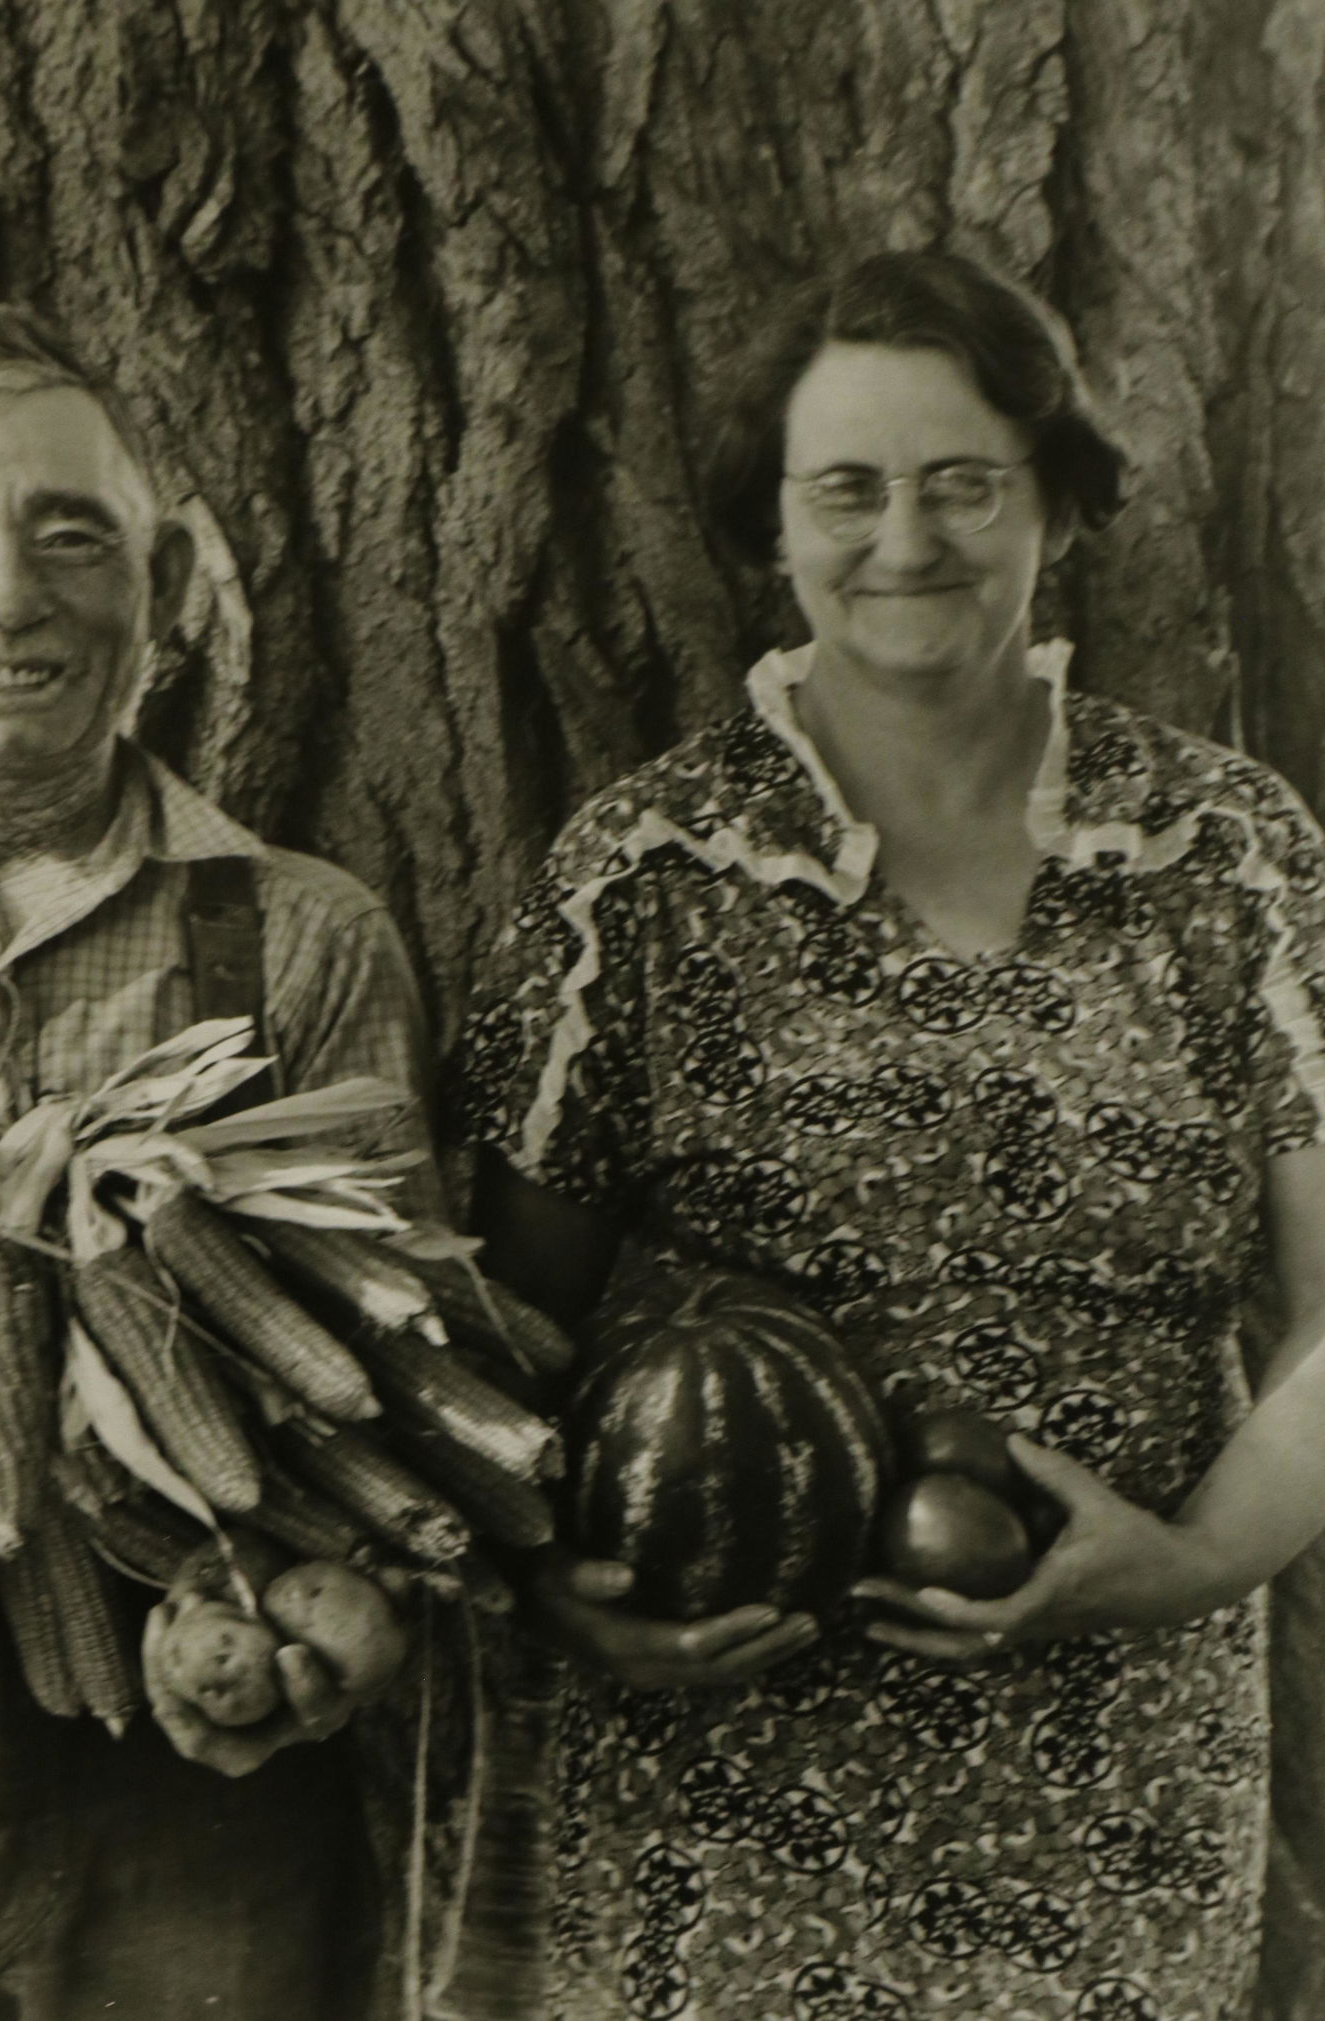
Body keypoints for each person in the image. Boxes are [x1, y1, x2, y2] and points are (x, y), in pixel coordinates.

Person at [456, 249, 1325, 2019]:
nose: (904, 539)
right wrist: (559, 1586)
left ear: (1057, 507)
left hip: (1125, 1771)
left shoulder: (1235, 852)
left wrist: (1193, 1557)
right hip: (728, 1781)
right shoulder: (643, 876)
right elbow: (500, 1338)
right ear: (771, 530)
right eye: (845, 488)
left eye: (963, 483)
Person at [0, 292, 436, 2020]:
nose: (11, 595)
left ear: (168, 580)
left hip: (194, 1780)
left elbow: (406, 1381)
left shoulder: (304, 937)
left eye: (72, 532)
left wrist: (329, 1621)